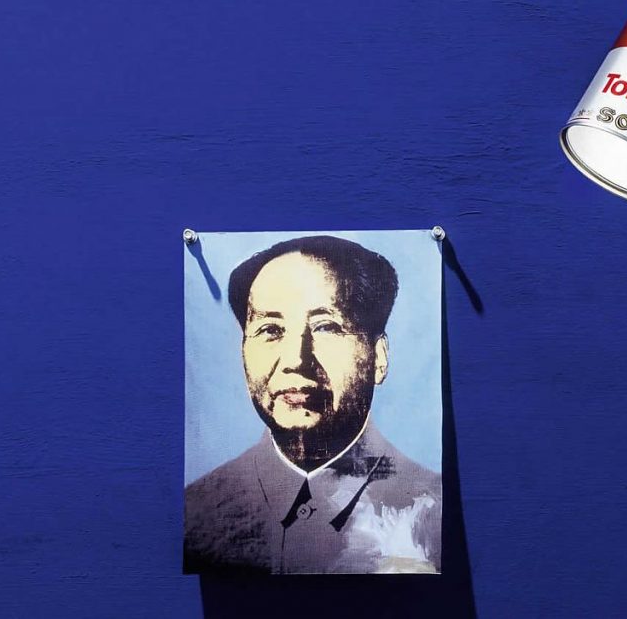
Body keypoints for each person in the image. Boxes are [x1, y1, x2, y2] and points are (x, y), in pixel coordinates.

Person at [184, 236, 441, 574]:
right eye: (271, 330)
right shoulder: (196, 512)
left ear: (378, 358)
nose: (296, 360)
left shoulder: (434, 512)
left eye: (326, 327)